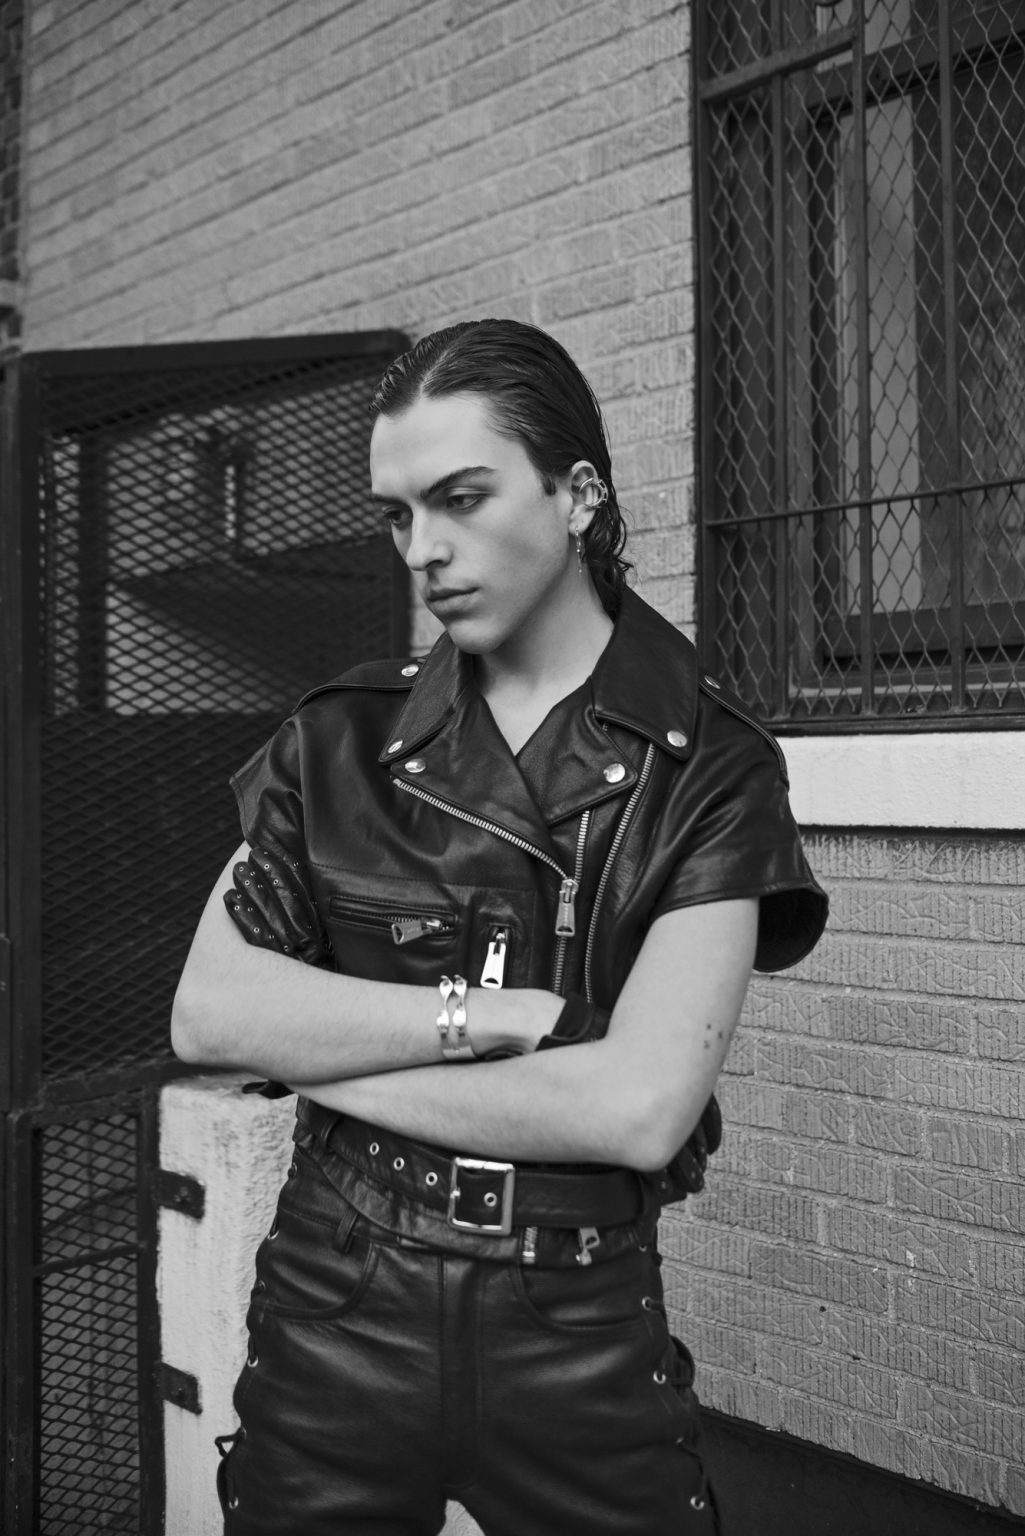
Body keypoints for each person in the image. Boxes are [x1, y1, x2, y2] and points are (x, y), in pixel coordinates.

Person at [172, 318, 828, 1536]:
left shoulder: (710, 769)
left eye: (461, 499)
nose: (423, 549)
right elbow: (210, 1016)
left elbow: (636, 1111)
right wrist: (497, 1018)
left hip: (575, 1322)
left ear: (576, 494)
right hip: (336, 1300)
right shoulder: (337, 741)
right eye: (398, 514)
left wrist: (319, 1054)